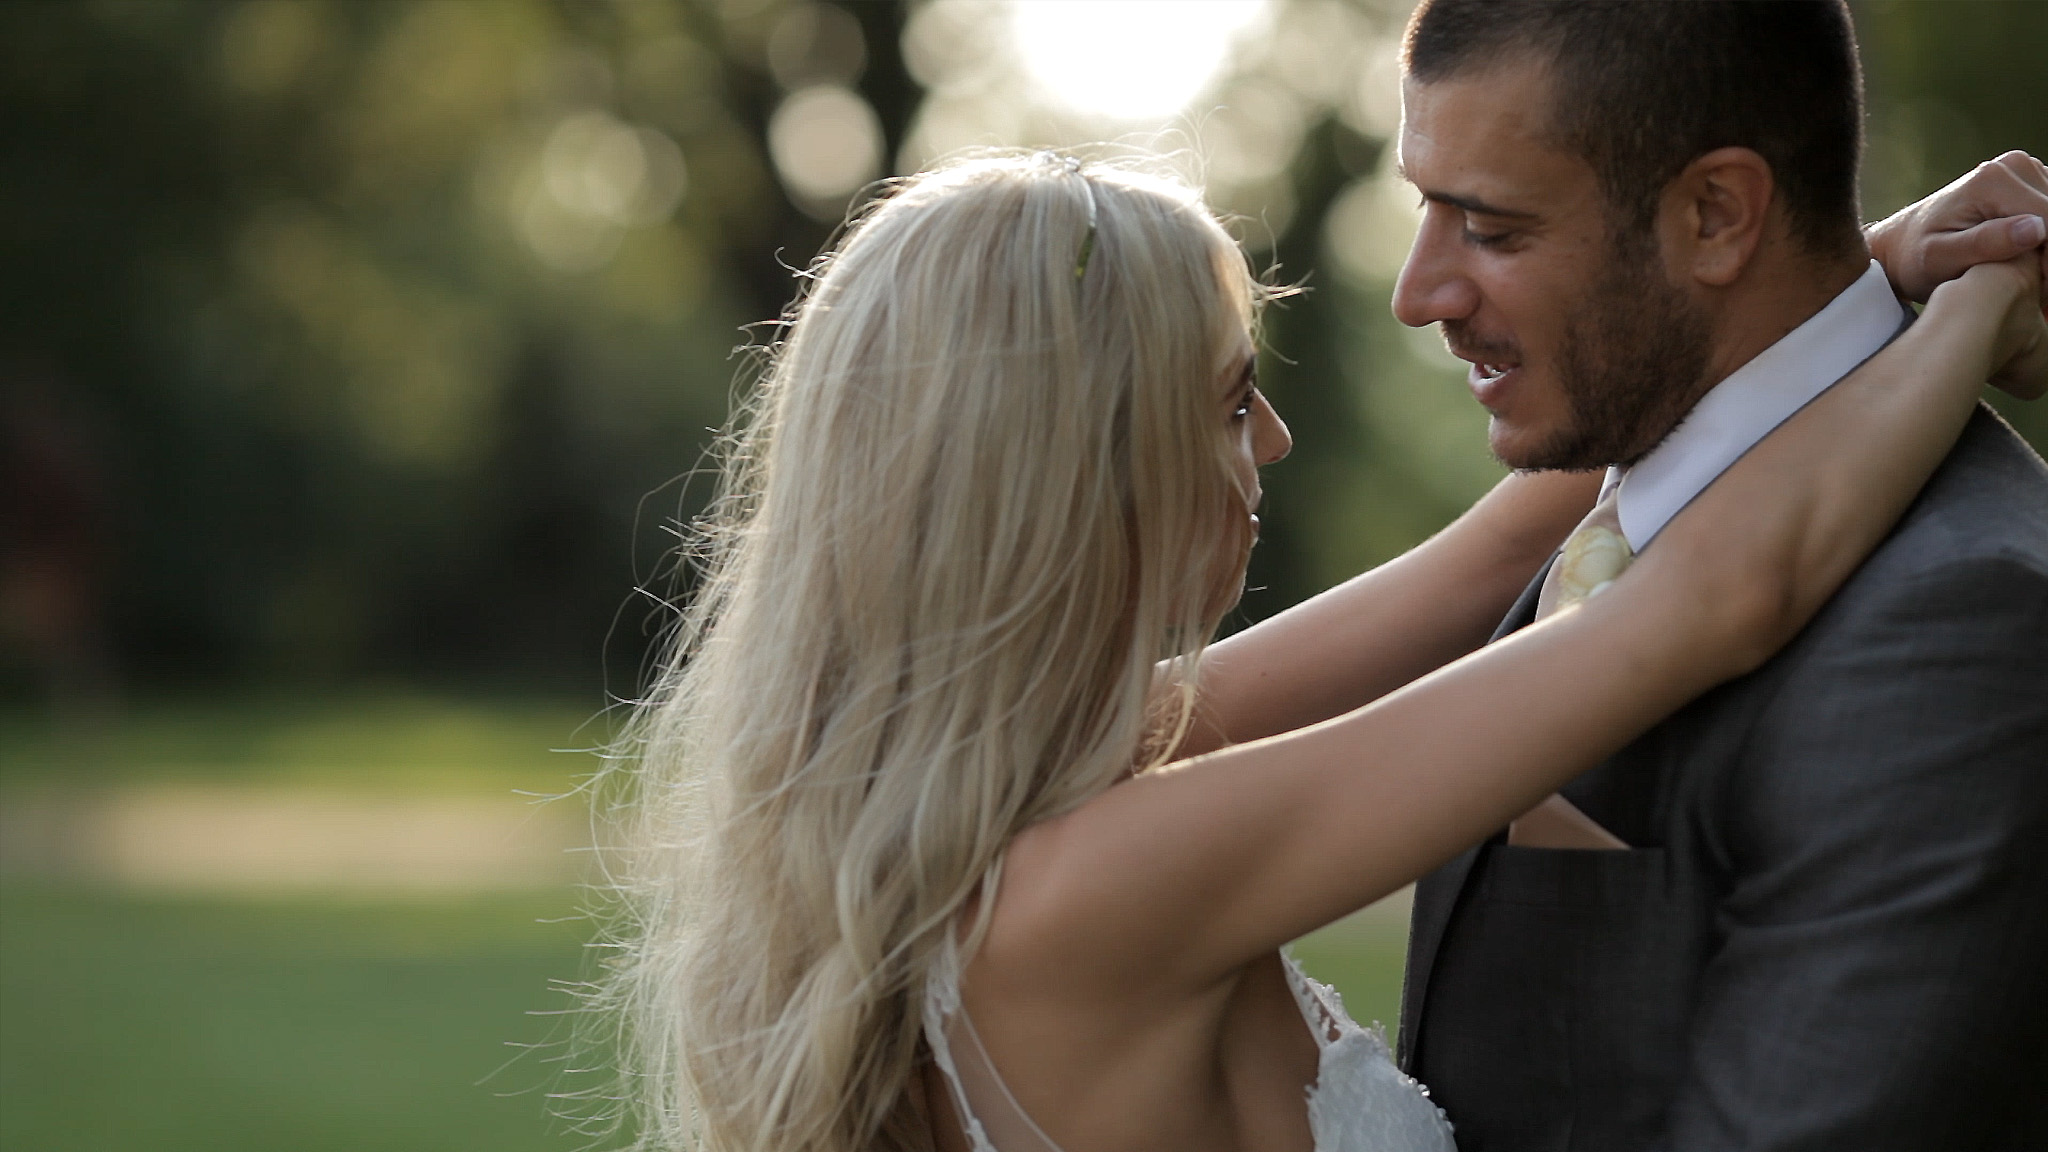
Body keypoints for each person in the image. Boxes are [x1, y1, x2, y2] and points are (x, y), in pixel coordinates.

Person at [595, 148, 2042, 1152]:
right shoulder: (1092, 884)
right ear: (1075, 475)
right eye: (1231, 403)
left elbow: (1486, 554)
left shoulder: (1004, 808)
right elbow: (1721, 598)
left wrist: (1861, 274)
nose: (1272, 442)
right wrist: (1982, 302)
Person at [1386, 3, 2048, 1150]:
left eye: (1488, 228)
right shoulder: (1616, 504)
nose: (1418, 291)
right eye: (1423, 209)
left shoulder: (1957, 621)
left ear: (1714, 214)